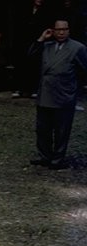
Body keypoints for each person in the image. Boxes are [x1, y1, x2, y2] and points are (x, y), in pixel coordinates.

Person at [28, 17, 87, 170]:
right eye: (58, 29)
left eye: (64, 29)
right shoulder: (46, 46)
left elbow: (84, 70)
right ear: (53, 31)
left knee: (61, 130)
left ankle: (58, 159)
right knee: (43, 128)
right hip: (45, 93)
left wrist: (74, 87)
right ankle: (45, 156)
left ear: (69, 31)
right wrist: (41, 38)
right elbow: (31, 56)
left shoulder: (77, 48)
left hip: (64, 94)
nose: (61, 32)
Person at [11, 0, 50, 98]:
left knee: (35, 65)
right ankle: (20, 89)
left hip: (38, 41)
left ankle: (34, 89)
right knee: (22, 65)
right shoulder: (24, 10)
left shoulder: (46, 12)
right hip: (24, 41)